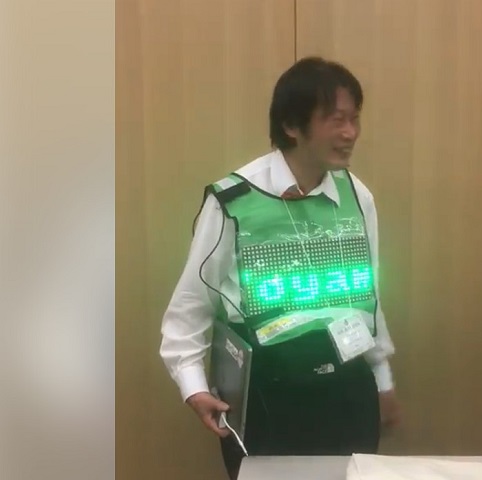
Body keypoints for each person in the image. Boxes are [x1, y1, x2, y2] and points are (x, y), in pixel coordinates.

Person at [160, 56, 400, 480]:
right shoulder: (233, 202)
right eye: (336, 120)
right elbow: (191, 307)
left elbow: (369, 299)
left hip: (348, 390)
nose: (350, 133)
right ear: (292, 125)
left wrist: (382, 379)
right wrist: (193, 387)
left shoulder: (357, 195)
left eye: (355, 119)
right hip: (269, 396)